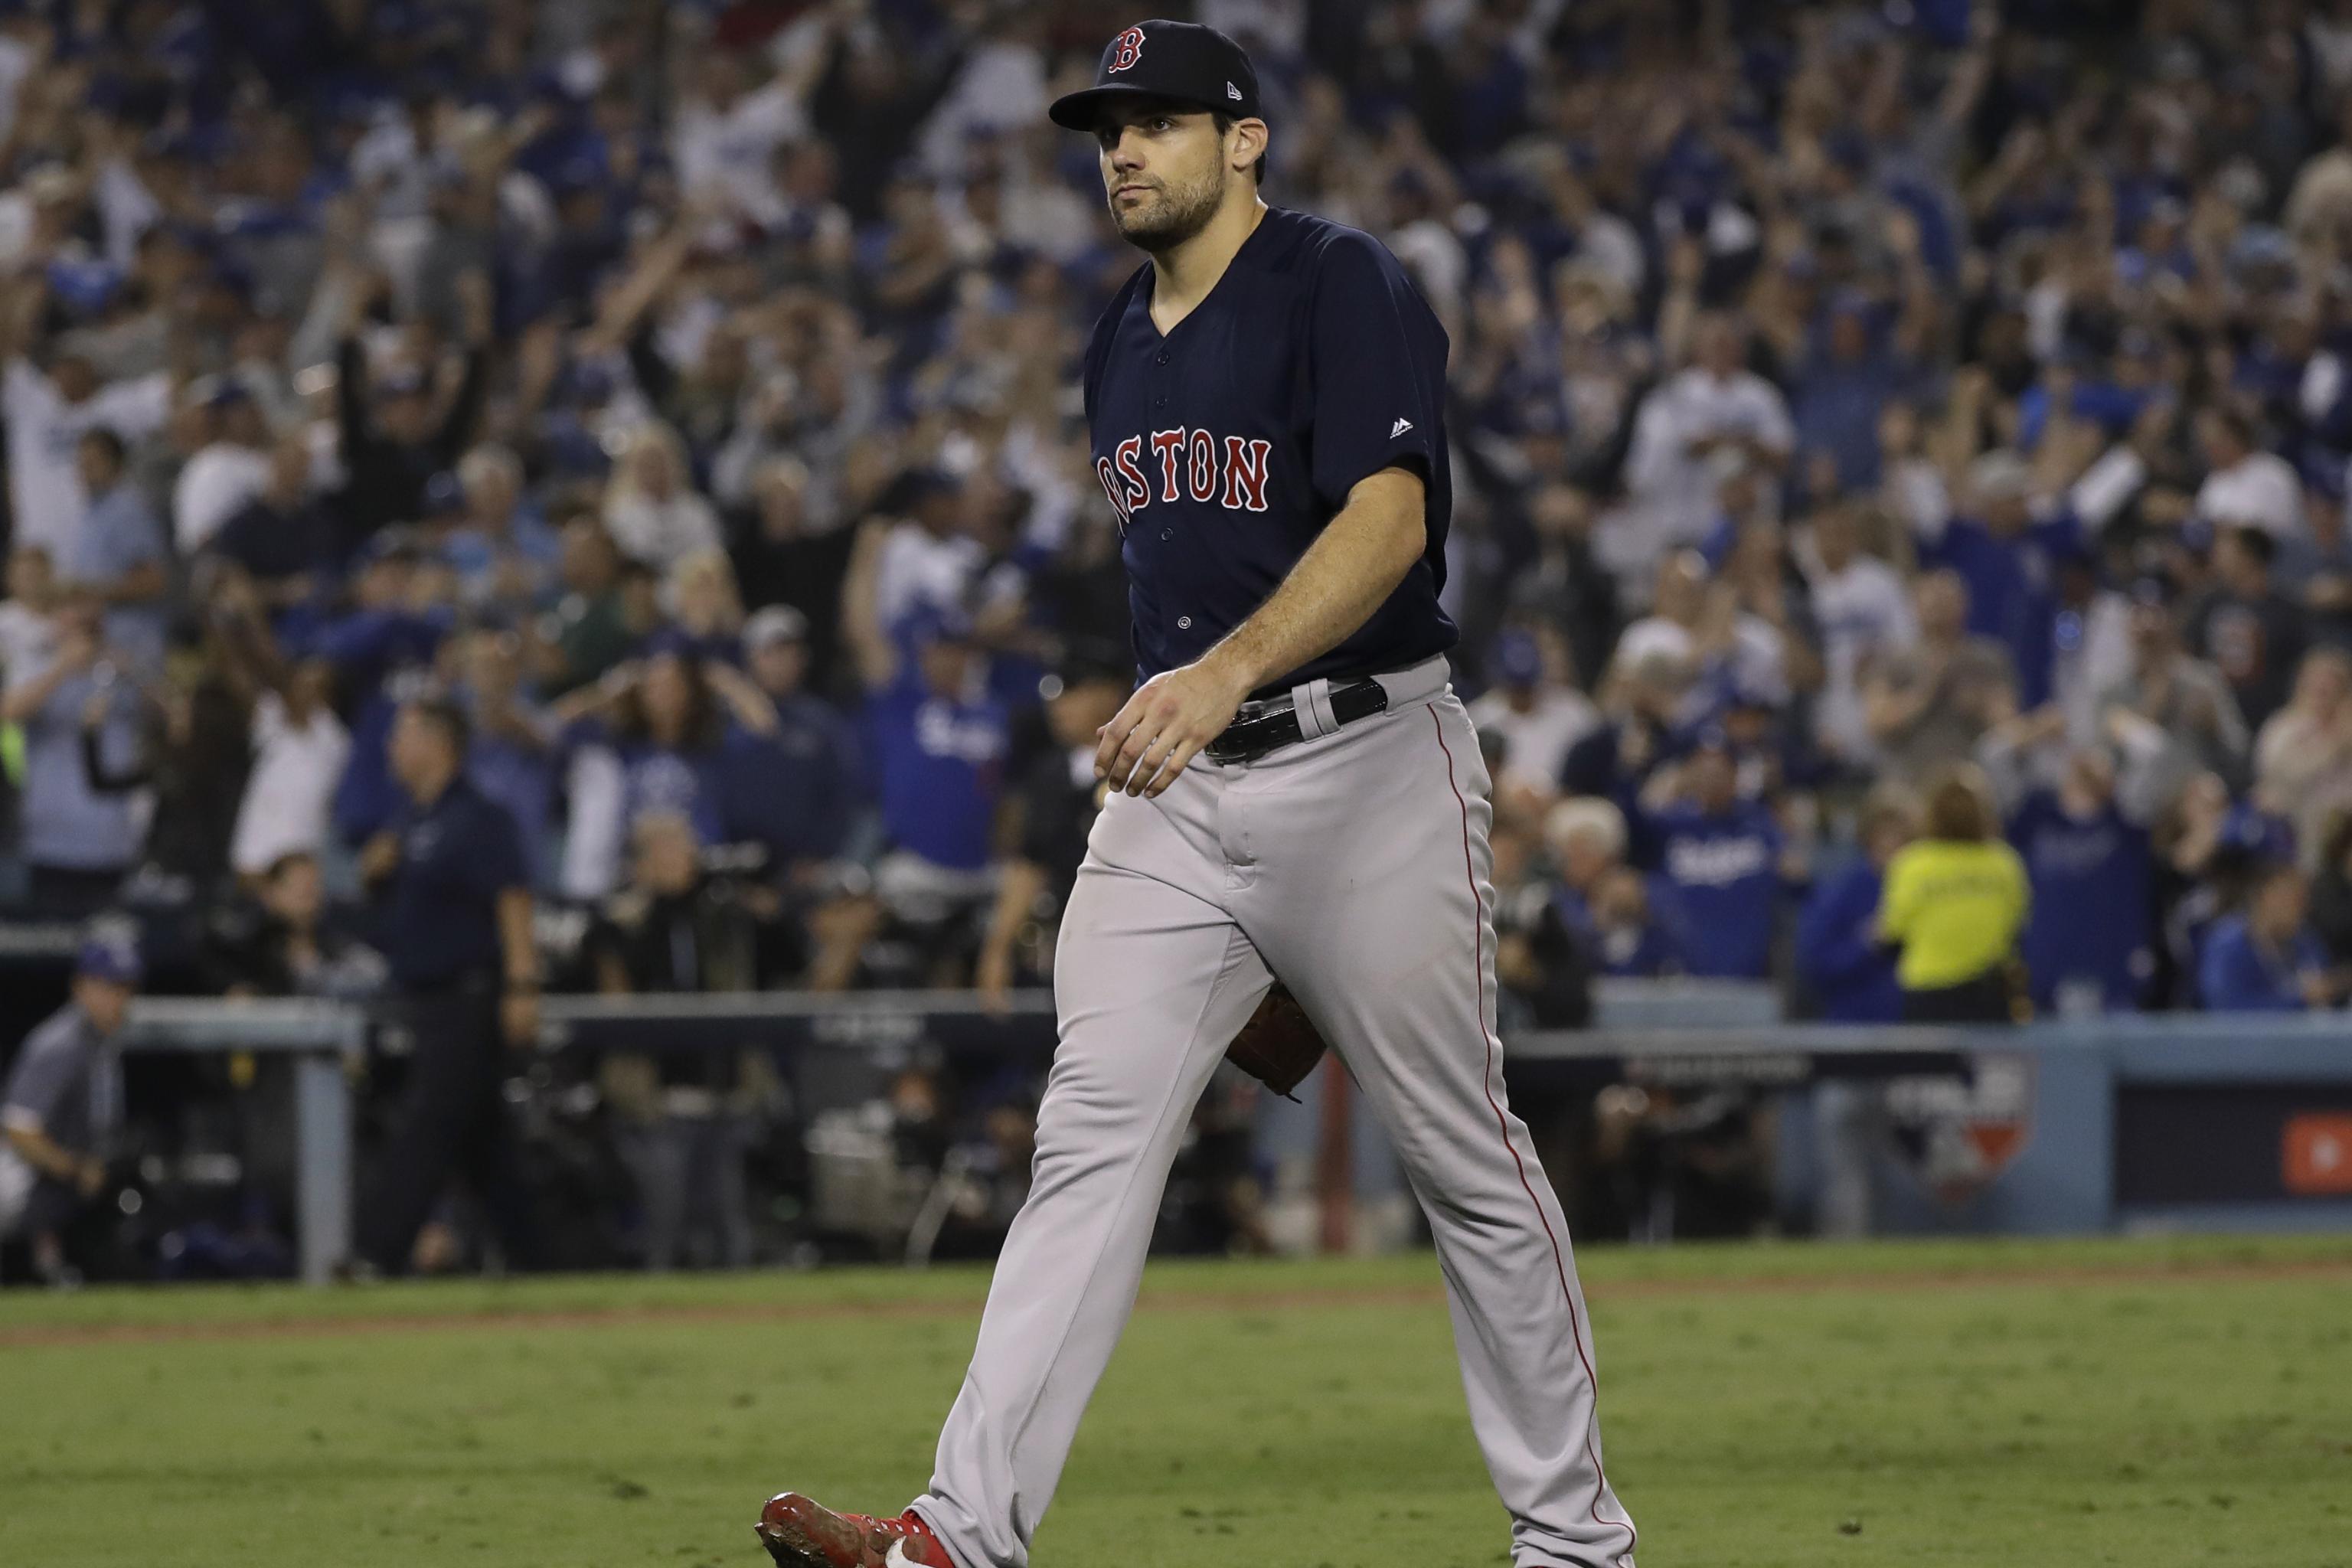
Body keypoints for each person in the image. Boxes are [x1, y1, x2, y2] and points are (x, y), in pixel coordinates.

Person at [759, 23, 1634, 1568]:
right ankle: (956, 1535)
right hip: (1183, 800)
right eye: (1110, 129)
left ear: (1246, 140)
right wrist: (1183, 713)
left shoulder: (1334, 280)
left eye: (1159, 122)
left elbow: (1389, 521)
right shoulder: (1117, 342)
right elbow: (1179, 594)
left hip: (1372, 763)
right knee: (1088, 1135)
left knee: (1462, 1154)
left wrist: (1224, 680)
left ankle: (1573, 1541)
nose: (1125, 151)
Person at [354, 697, 541, 1275]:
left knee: (426, 1127)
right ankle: (545, 1262)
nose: (392, 748)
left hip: (467, 994)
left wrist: (522, 986)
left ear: (438, 743)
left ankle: (374, 1256)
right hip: (425, 997)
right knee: (488, 1152)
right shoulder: (411, 820)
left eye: (403, 735)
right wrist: (373, 872)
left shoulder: (479, 818)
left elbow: (512, 900)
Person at [0, 923, 140, 1284]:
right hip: (21, 1186)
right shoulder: (59, 1045)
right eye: (110, 987)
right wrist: (77, 1170)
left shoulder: (101, 1043)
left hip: (55, 1185)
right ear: (81, 987)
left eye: (126, 987)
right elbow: (19, 1131)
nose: (120, 999)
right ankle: (45, 1266)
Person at [1877, 765, 2030, 1023]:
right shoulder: (2004, 862)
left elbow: (1892, 929)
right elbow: (2018, 923)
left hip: (1929, 994)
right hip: (1988, 994)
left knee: (1931, 1065)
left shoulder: (1913, 864)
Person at [1795, 785, 1917, 1024]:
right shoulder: (1841, 890)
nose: (1891, 845)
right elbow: (1816, 963)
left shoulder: (1925, 890)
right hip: (1852, 1027)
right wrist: (1868, 942)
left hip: (1914, 1028)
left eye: (1901, 837)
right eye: (1884, 834)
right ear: (1869, 837)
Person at [2198, 861, 2343, 1012]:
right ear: (2267, 896)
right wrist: (2301, 1000)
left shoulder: (2305, 941)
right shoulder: (2227, 945)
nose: (2305, 908)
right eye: (2297, 899)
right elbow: (2227, 1007)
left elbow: (2327, 988)